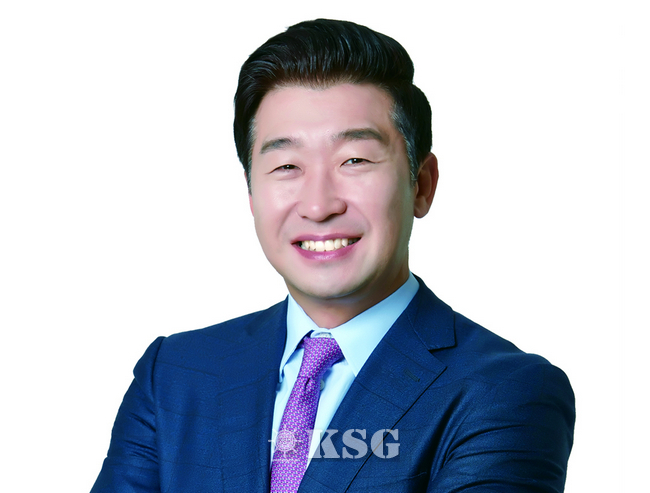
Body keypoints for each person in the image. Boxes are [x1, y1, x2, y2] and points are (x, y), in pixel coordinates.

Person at [91, 19, 575, 493]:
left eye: (355, 160)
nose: (319, 205)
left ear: (422, 185)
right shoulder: (174, 374)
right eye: (287, 165)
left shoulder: (505, 392)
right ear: (252, 195)